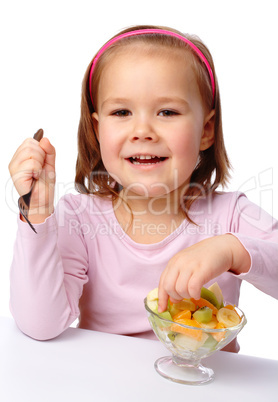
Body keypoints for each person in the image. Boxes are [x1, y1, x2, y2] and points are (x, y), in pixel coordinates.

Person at [8, 25, 278, 352]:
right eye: (121, 112)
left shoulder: (231, 215)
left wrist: (232, 250)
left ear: (205, 130)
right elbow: (40, 324)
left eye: (167, 112)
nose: (142, 130)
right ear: (97, 129)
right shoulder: (79, 218)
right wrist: (36, 214)